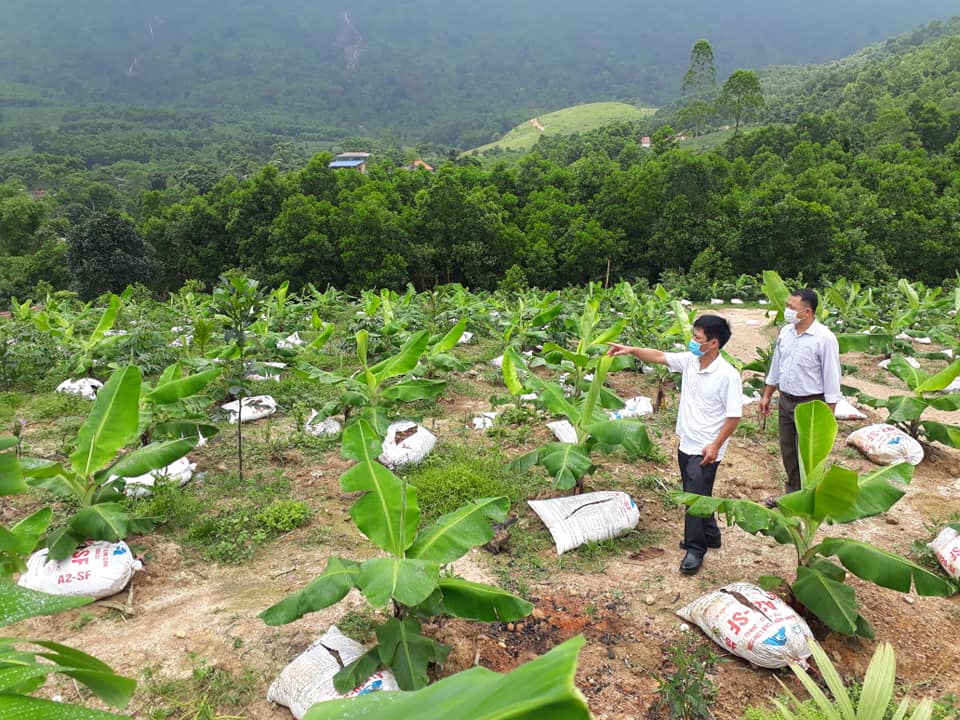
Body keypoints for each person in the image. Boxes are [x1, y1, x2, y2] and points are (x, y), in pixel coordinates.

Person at [608, 315, 742, 575]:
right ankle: (712, 534)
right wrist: (632, 350)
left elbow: (734, 417)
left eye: (697, 338)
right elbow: (659, 356)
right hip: (687, 441)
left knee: (693, 498)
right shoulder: (691, 361)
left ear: (713, 343)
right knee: (696, 491)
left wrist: (715, 446)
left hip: (706, 447)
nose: (692, 342)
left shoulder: (727, 376)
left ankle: (695, 549)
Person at [759, 288, 841, 503]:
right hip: (786, 400)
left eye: (791, 307)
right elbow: (777, 365)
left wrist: (828, 415)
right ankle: (793, 495)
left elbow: (832, 378)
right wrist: (767, 394)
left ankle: (810, 495)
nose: (787, 310)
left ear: (807, 312)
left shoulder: (824, 339)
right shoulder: (786, 332)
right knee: (788, 449)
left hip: (811, 403)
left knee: (809, 453)